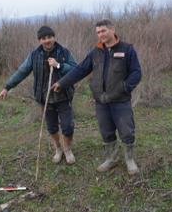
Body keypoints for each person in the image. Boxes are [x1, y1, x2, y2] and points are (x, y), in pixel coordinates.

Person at [51, 19, 142, 175]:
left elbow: (136, 73)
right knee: (106, 131)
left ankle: (129, 160)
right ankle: (111, 159)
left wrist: (125, 87)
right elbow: (80, 70)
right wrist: (62, 82)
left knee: (127, 131)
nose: (101, 34)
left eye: (103, 31)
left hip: (120, 100)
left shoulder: (127, 49)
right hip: (101, 101)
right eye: (98, 32)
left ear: (112, 30)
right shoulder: (95, 52)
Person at [0, 26, 78, 164]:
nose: (47, 40)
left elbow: (76, 70)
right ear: (40, 40)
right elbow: (22, 72)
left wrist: (59, 65)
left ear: (54, 37)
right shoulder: (35, 55)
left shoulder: (64, 52)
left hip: (64, 97)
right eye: (43, 38)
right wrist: (7, 87)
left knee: (68, 127)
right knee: (52, 127)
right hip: (44, 98)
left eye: (49, 37)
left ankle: (67, 149)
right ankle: (58, 149)